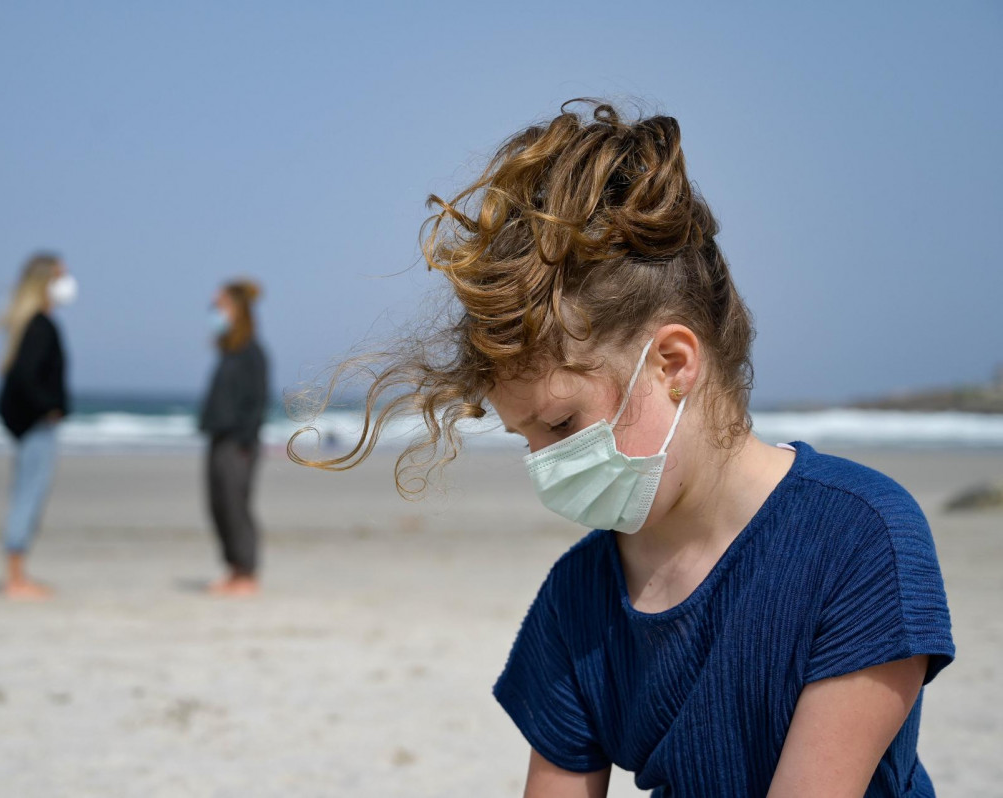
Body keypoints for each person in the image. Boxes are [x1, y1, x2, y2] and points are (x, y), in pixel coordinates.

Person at [289, 101, 954, 796]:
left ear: (672, 363)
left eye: (562, 425)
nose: (545, 466)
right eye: (525, 441)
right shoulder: (577, 599)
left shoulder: (860, 537)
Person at [0, 252, 75, 600]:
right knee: (28, 496)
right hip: (35, 426)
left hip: (28, 425)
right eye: (61, 276)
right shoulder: (39, 325)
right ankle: (16, 578)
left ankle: (17, 573)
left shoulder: (28, 323)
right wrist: (50, 408)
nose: (68, 284)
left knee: (26, 494)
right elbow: (24, 378)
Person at [198, 279, 268, 597]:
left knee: (236, 505)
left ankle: (247, 572)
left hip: (238, 444)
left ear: (236, 309)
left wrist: (244, 440)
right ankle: (233, 569)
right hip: (218, 437)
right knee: (217, 505)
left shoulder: (252, 352)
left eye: (219, 306)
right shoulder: (230, 351)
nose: (214, 312)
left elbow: (258, 401)